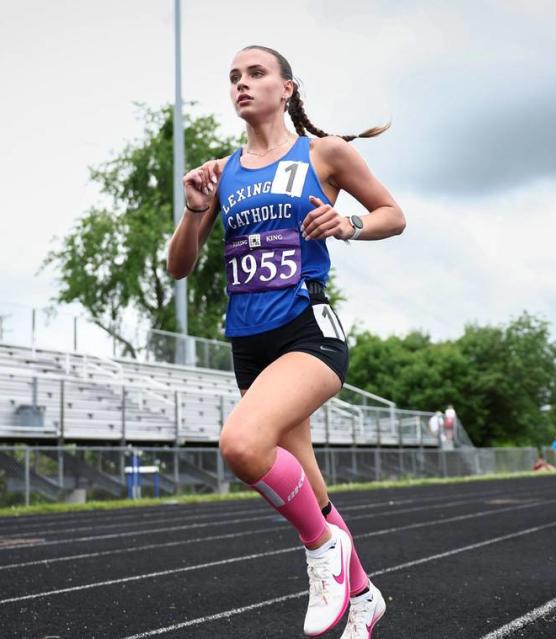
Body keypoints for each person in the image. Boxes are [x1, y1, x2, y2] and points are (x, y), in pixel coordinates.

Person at [166, 45, 405, 638]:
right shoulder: (223, 172)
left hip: (307, 332)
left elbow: (392, 214)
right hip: (250, 343)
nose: (241, 84)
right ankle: (364, 595)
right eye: (233, 78)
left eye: (255, 73)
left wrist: (346, 224)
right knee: (312, 491)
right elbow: (178, 266)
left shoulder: (323, 153)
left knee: (243, 446)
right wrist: (196, 212)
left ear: (287, 88)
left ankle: (324, 553)